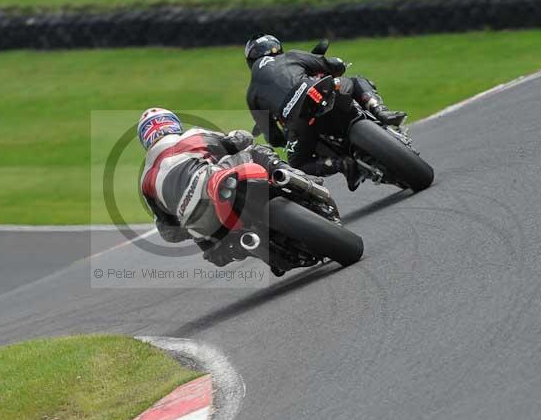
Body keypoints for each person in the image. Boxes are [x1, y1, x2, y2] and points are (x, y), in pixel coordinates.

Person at [138, 107, 314, 266]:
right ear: (172, 124)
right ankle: (297, 177)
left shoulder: (146, 180)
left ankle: (254, 244)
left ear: (145, 139)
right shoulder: (191, 136)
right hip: (215, 184)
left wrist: (189, 221)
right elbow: (240, 140)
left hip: (206, 229)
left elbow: (169, 233)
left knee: (214, 247)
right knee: (253, 151)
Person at [244, 33, 406, 190]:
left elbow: (272, 136)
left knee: (298, 164)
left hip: (299, 124)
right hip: (321, 92)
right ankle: (380, 111)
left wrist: (284, 141)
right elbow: (330, 64)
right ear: (277, 47)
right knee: (356, 81)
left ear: (250, 60)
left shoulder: (252, 94)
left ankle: (341, 164)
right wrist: (338, 65)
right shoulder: (291, 56)